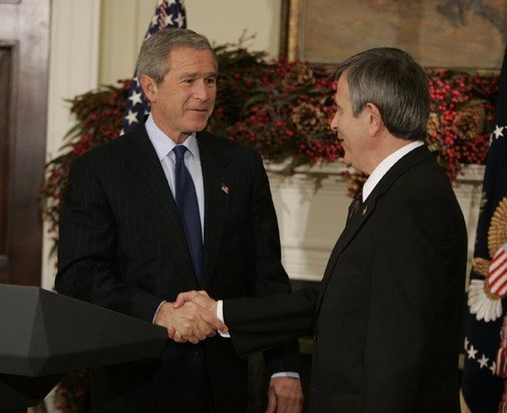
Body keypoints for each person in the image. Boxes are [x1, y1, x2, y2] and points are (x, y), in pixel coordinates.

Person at [174, 47, 468, 412]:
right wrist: (220, 313)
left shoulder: (413, 204)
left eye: (339, 109)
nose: (333, 123)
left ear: (372, 118)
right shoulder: (397, 190)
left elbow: (399, 356)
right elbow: (333, 303)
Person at [55, 28, 303, 413]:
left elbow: (267, 276)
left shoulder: (241, 166)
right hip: (136, 388)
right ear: (150, 87)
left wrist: (284, 369)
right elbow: (79, 275)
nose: (204, 94)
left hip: (222, 388)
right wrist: (159, 311)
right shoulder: (100, 169)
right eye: (189, 80)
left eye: (210, 80)